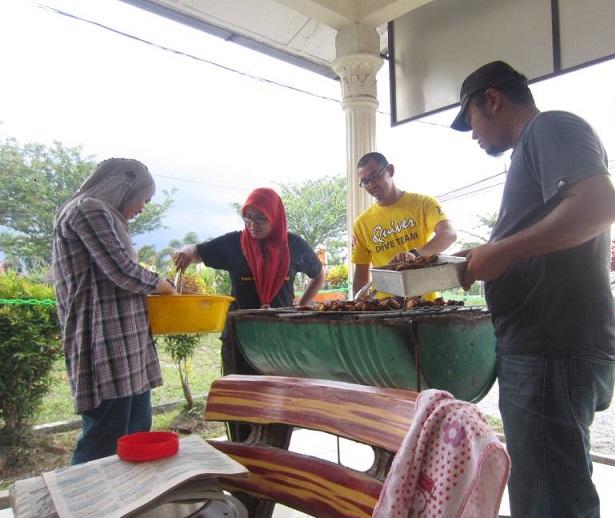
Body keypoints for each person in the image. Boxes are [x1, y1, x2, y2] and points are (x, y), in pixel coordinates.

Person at [450, 60, 615, 518]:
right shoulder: (533, 147)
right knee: (547, 495)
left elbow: (601, 205)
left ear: (492, 100)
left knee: (551, 510)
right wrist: (482, 253)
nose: (473, 134)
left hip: (551, 348)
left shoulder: (551, 127)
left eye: (471, 119)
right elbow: (538, 238)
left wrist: (503, 252)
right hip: (544, 349)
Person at [52, 158, 177, 465]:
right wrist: (162, 284)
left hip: (126, 345)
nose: (143, 207)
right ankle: (85, 495)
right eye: (144, 199)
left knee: (134, 435)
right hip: (105, 344)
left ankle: (128, 495)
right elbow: (121, 269)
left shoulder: (104, 215)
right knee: (105, 440)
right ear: (125, 188)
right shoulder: (87, 210)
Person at [172, 186, 324, 389]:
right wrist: (186, 251)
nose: (252, 224)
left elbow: (318, 274)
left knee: (279, 395)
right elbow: (197, 251)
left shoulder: (293, 245)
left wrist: (302, 304)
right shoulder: (233, 243)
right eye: (248, 217)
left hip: (281, 337)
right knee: (240, 395)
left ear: (274, 216)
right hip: (240, 337)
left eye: (260, 218)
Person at [351, 152, 457, 298]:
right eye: (365, 182)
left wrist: (416, 255)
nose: (371, 185)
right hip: (385, 306)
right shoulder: (361, 223)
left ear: (390, 170)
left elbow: (449, 234)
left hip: (427, 303)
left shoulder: (423, 203)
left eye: (375, 176)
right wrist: (357, 305)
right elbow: (361, 274)